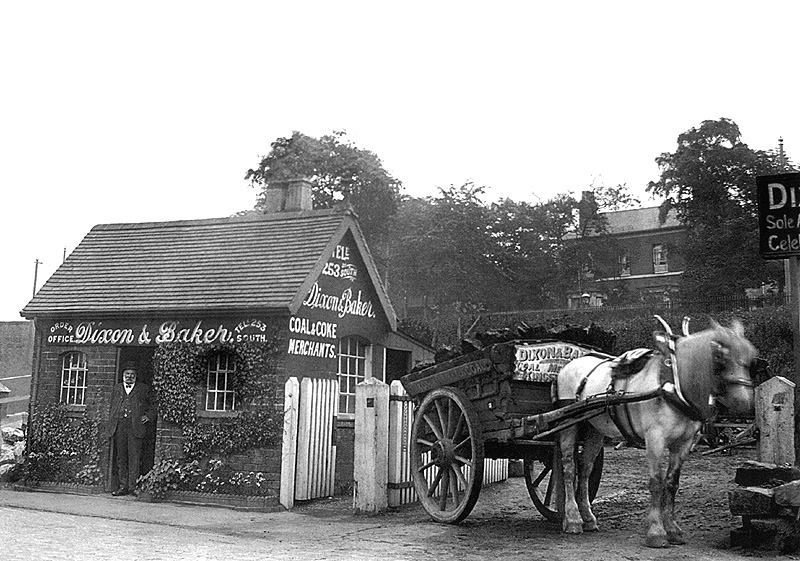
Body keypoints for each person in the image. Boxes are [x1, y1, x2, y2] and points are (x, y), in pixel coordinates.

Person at [108, 363, 157, 496]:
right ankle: (123, 486)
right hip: (120, 426)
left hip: (135, 426)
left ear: (135, 376)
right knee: (121, 458)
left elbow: (154, 405)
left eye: (132, 375)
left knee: (134, 457)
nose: (129, 377)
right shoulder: (116, 388)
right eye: (127, 374)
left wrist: (148, 417)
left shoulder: (143, 389)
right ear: (123, 375)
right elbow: (111, 406)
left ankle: (133, 487)